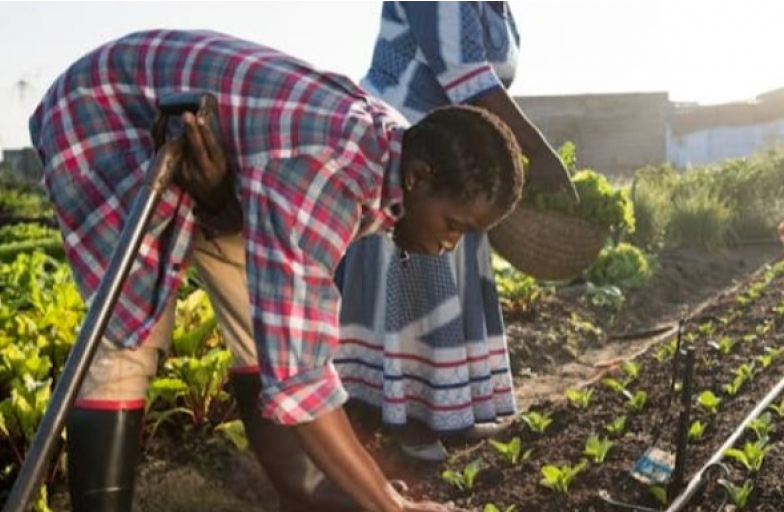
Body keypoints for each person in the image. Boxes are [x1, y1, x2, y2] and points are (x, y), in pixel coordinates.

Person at [30, 28, 525, 512]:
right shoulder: (326, 178)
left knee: (256, 309)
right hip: (104, 112)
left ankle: (305, 493)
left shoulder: (397, 147)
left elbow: (287, 328)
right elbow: (301, 377)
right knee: (127, 331)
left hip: (214, 147)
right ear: (418, 178)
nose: (448, 246)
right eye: (453, 226)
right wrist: (389, 505)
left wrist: (222, 197)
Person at [332, 1, 572, 463]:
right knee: (416, 275)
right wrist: (537, 152)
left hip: (460, 158)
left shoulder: (499, 10)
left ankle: (444, 413)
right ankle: (403, 422)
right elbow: (466, 74)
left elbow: (485, 84)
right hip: (407, 147)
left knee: (445, 277)